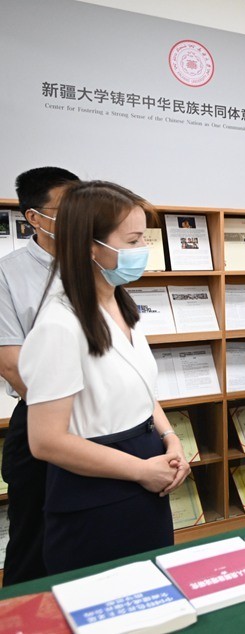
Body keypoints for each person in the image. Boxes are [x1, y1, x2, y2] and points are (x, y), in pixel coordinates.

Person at [20, 181, 190, 574]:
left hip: (147, 470)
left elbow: (141, 389)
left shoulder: (120, 303)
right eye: (132, 241)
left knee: (152, 587)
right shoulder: (59, 325)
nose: (143, 250)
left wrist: (170, 438)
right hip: (96, 490)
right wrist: (141, 470)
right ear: (89, 247)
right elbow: (46, 441)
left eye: (144, 238)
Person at [0, 167, 79, 585]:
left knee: (92, 538)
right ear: (34, 217)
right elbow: (11, 364)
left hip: (102, 423)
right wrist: (67, 414)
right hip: (40, 424)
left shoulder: (96, 260)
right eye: (68, 209)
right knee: (34, 544)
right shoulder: (7, 273)